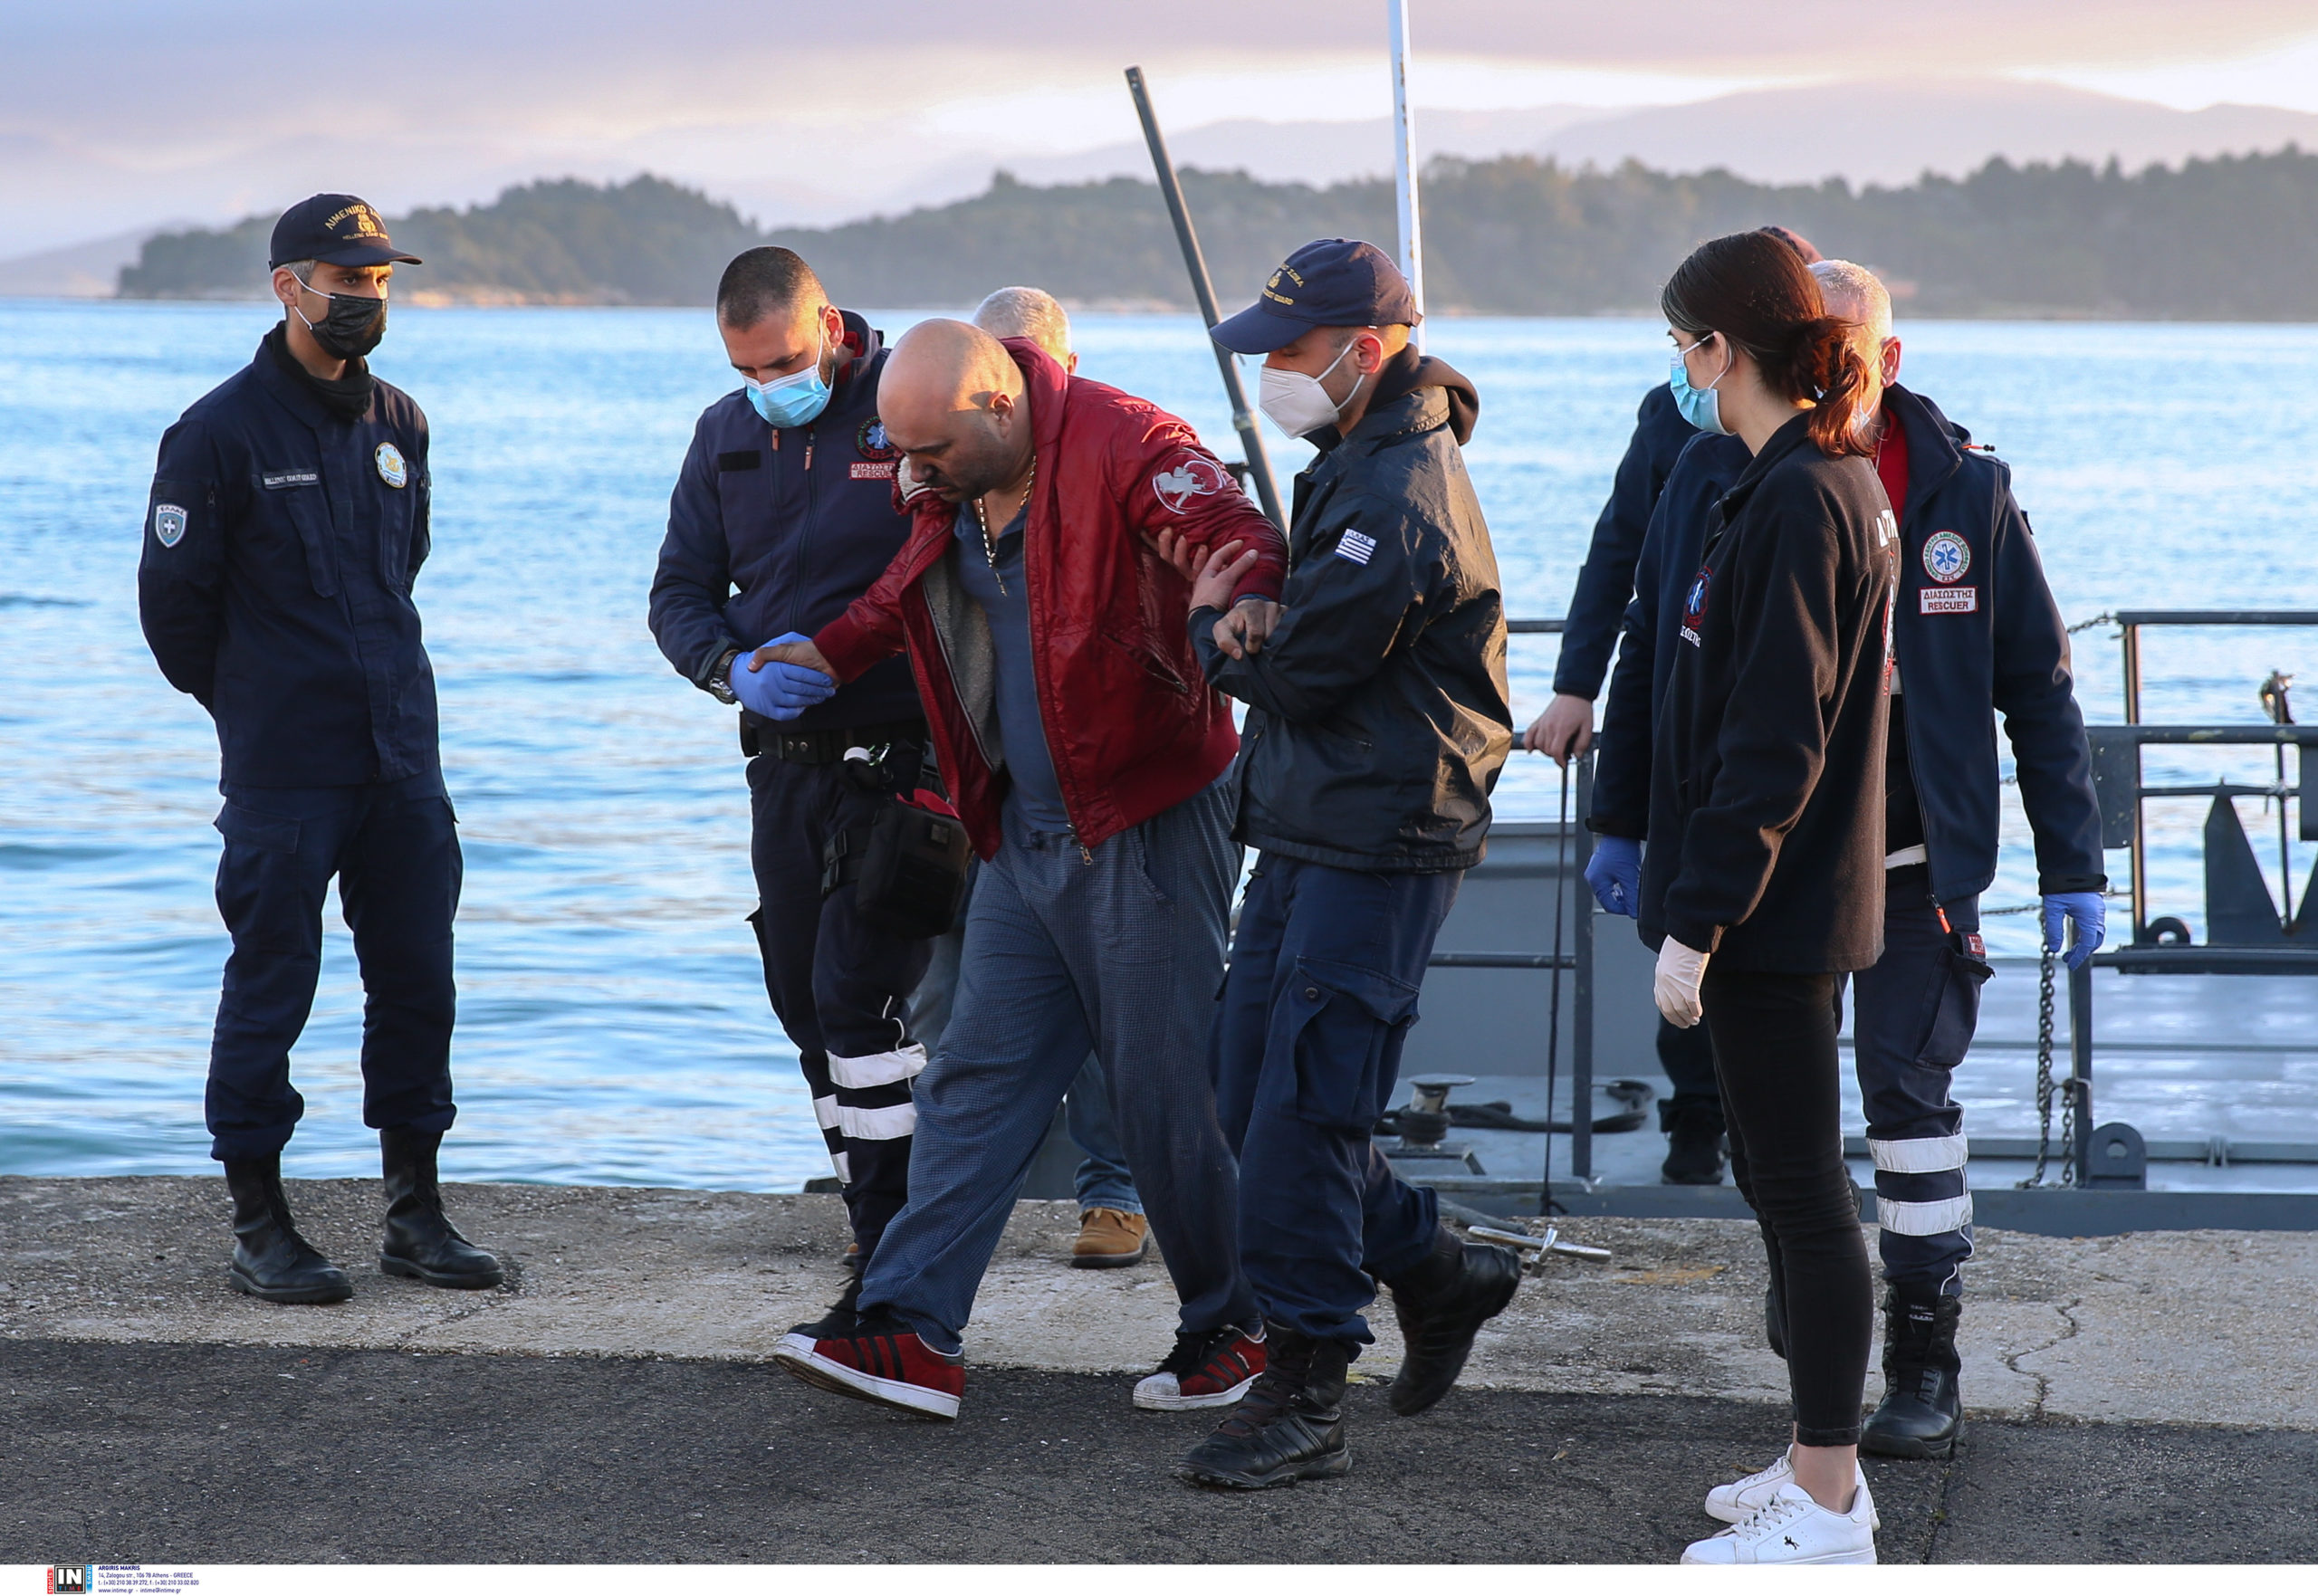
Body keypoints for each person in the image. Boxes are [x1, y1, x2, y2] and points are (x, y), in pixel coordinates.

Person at [759, 318, 1288, 1420]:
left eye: (928, 453)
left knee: (1162, 1095)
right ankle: (911, 1328)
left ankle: (1235, 1324)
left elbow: (1234, 533)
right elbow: (914, 584)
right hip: (1021, 829)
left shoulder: (1125, 440)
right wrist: (831, 650)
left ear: (996, 407)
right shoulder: (948, 475)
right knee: (974, 1076)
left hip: (1142, 819)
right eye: (900, 452)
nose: (911, 473)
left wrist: (1234, 606)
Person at [1167, 239, 1522, 1488]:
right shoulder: (1357, 459)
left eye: (1291, 351)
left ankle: (1310, 1379)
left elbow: (1311, 668)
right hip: (1320, 817)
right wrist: (1273, 624)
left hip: (1384, 829)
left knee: (1307, 1106)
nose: (1273, 372)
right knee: (1240, 1082)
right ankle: (1437, 1265)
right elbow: (1314, 640)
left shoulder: (1396, 489)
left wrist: (1220, 625)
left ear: (1364, 353)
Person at [138, 194, 501, 1304]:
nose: (369, 299)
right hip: (285, 767)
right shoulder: (216, 433)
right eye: (349, 283)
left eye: (382, 281)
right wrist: (256, 703)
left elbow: (407, 565)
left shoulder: (400, 420)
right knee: (271, 984)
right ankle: (261, 1223)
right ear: (289, 286)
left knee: (416, 983)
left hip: (401, 755)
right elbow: (173, 614)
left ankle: (415, 1213)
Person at [1608, 231, 1897, 1563]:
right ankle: (1807, 1456)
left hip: (1770, 914)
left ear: (1723, 347)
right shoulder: (1803, 478)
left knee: (1800, 1190)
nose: (1680, 366)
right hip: (1778, 901)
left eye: (1684, 342)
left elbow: (1774, 739)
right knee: (1788, 1183)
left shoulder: (1797, 496)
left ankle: (1832, 1496)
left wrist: (1700, 917)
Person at [647, 248, 932, 1301]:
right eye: (747, 368)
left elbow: (942, 572)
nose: (771, 385)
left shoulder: (903, 405)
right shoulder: (727, 434)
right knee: (799, 995)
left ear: (827, 321)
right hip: (783, 763)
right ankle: (871, 1198)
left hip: (901, 758)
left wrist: (857, 660)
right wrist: (731, 668)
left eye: (784, 360)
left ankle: (895, 1236)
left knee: (860, 994)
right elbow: (676, 592)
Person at [1529, 225, 1822, 1187]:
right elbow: (1620, 553)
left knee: (1790, 947)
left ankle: (1780, 1136)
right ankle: (1695, 1118)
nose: (1686, 363)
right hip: (1679, 720)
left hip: (1796, 740)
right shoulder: (1672, 429)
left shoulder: (1827, 463)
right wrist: (1577, 684)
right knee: (1683, 931)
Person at [915, 283, 1147, 1270]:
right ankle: (946, 1217)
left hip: (1087, 801)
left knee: (1106, 1014)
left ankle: (1115, 1194)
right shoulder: (951, 476)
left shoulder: (1116, 459)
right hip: (967, 783)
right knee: (946, 1006)